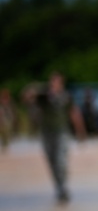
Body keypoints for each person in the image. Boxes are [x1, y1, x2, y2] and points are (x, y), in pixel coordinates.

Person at [22, 72, 86, 203]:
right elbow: (26, 98)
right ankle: (59, 187)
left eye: (56, 82)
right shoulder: (43, 97)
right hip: (46, 133)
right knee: (52, 161)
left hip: (62, 133)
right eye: (52, 82)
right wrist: (36, 89)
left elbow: (74, 113)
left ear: (61, 84)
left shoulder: (66, 97)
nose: (54, 85)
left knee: (61, 160)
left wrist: (81, 131)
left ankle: (63, 187)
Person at [0, 87, 16, 152]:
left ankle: (6, 145)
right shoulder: (2, 102)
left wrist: (13, 117)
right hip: (3, 118)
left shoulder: (10, 102)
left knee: (7, 132)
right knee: (4, 132)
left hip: (8, 119)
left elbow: (12, 111)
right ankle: (4, 144)